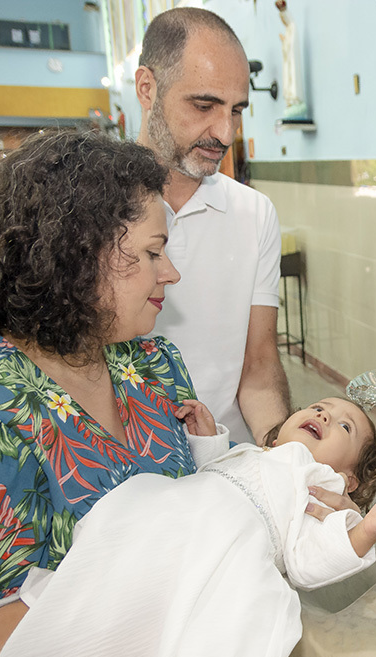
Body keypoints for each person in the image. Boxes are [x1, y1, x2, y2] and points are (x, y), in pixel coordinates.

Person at [0, 130, 196, 657]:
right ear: (77, 254)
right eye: (154, 252)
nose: (172, 273)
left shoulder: (155, 368)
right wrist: (27, 624)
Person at [0, 397, 376, 657]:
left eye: (344, 427)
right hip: (169, 523)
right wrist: (209, 439)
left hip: (222, 556)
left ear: (349, 475)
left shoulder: (320, 487)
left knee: (175, 655)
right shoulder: (256, 454)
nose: (325, 416)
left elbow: (310, 560)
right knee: (106, 607)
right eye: (318, 407)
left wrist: (366, 529)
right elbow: (213, 475)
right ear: (276, 435)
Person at [135, 7, 290, 445]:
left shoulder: (254, 213)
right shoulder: (91, 207)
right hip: (123, 469)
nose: (224, 132)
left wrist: (283, 458)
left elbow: (258, 368)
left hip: (226, 456)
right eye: (204, 105)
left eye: (236, 110)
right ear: (147, 88)